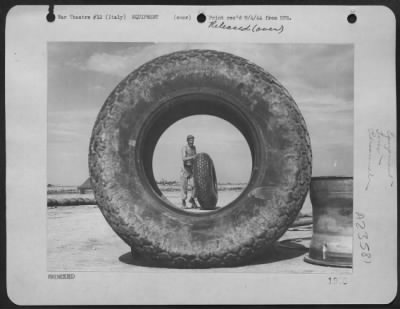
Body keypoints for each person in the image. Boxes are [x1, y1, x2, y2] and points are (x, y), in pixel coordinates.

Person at [180, 135, 199, 209]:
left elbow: (195, 157)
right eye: (190, 140)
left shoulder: (194, 147)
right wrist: (193, 157)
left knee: (195, 185)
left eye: (193, 140)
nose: (192, 142)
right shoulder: (184, 148)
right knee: (184, 187)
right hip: (184, 169)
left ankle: (192, 199)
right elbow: (183, 158)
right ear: (187, 141)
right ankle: (183, 203)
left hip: (191, 169)